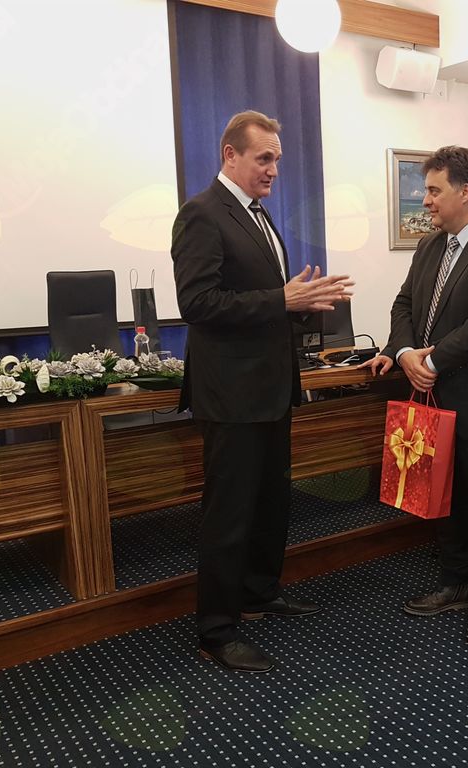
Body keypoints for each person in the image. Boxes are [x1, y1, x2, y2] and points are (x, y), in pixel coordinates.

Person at [172, 110, 353, 672]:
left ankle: (257, 592)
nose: (274, 168)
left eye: (277, 158)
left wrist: (302, 303)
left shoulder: (258, 214)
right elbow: (197, 304)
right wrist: (283, 299)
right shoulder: (202, 214)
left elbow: (263, 301)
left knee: (271, 502)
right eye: (264, 158)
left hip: (271, 388)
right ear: (230, 155)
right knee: (229, 514)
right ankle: (216, 629)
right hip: (231, 394)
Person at [363, 146, 468, 646]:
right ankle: (455, 584)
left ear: (465, 191)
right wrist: (403, 352)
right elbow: (404, 304)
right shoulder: (430, 247)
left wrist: (430, 363)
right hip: (437, 401)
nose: (427, 200)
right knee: (447, 500)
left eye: (434, 190)